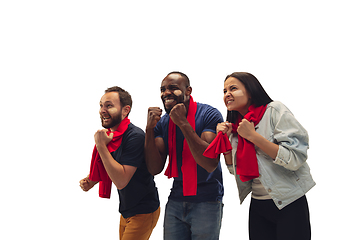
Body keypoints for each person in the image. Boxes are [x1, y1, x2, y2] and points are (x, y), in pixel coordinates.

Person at [209, 72, 315, 240]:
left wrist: (253, 136)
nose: (227, 94)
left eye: (233, 88)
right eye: (224, 91)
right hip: (258, 204)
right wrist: (226, 145)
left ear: (250, 92)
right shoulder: (236, 126)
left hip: (289, 202)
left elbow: (295, 157)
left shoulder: (274, 110)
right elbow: (233, 170)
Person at [145, 72, 224, 240]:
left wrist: (182, 122)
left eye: (173, 88)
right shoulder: (163, 122)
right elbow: (154, 168)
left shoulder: (209, 114)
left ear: (188, 91)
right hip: (176, 199)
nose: (166, 93)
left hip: (207, 200)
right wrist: (149, 130)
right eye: (162, 89)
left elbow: (210, 162)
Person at [79, 86, 160, 240]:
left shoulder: (134, 136)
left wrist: (101, 146)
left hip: (143, 211)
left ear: (125, 110)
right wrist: (92, 179)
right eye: (101, 105)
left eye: (109, 105)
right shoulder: (114, 136)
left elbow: (121, 180)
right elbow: (113, 164)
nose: (102, 110)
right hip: (127, 210)